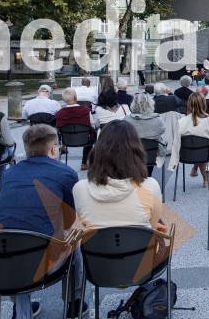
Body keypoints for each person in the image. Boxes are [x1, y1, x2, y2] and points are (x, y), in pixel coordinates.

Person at [0, 124, 87, 319]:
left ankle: (21, 310)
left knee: (16, 241)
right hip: (44, 261)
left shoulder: (8, 175)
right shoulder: (66, 173)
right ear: (53, 149)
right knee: (74, 238)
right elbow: (70, 222)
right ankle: (74, 302)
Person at [73, 121, 168, 271]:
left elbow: (84, 221)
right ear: (136, 150)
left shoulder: (79, 189)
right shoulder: (150, 186)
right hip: (142, 264)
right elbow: (153, 222)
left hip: (97, 265)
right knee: (160, 223)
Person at [170, 93, 209, 186]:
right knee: (203, 148)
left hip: (185, 154)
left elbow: (176, 142)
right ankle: (205, 179)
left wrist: (173, 162)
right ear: (203, 104)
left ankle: (196, 171)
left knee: (197, 146)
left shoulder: (181, 121)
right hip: (204, 153)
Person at [123, 93, 166, 176]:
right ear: (150, 104)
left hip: (131, 155)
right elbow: (162, 130)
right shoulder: (157, 120)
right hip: (151, 155)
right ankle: (147, 177)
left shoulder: (127, 119)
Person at [55, 87, 97, 170]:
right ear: (75, 98)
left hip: (67, 140)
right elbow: (92, 124)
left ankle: (63, 148)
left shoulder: (60, 113)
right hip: (85, 139)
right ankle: (84, 162)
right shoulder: (85, 110)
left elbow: (58, 127)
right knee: (92, 133)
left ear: (64, 100)